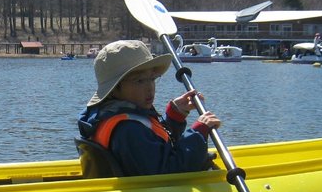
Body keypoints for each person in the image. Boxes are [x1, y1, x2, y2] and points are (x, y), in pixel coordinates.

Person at [78, 40, 221, 177]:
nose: (150, 88)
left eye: (152, 78)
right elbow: (169, 171)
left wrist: (175, 116)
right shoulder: (128, 130)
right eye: (139, 81)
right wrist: (198, 133)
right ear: (114, 89)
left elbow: (154, 147)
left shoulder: (113, 115)